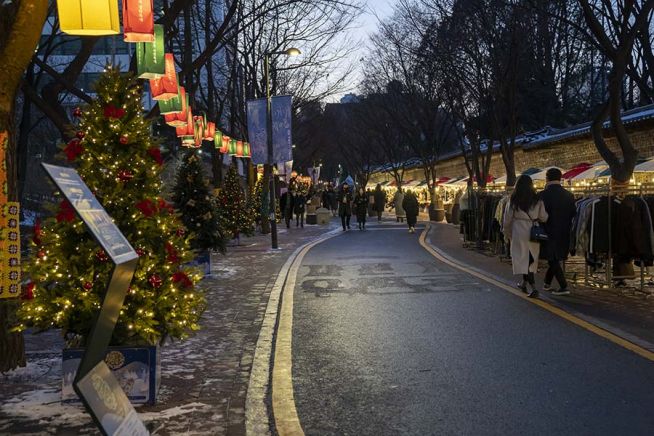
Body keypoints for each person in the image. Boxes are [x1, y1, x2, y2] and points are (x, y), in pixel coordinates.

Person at [503, 175, 548, 298]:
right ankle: (524, 283)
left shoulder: (513, 199)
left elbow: (507, 219)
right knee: (531, 259)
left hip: (518, 230)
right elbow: (544, 217)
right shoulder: (537, 199)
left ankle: (533, 288)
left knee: (522, 259)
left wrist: (506, 233)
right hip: (533, 230)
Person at [539, 168, 576, 296]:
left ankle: (564, 286)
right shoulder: (569, 195)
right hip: (564, 231)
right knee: (554, 259)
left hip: (547, 231)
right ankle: (547, 282)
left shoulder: (542, 195)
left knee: (552, 259)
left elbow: (539, 215)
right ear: (560, 178)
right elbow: (573, 214)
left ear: (547, 178)